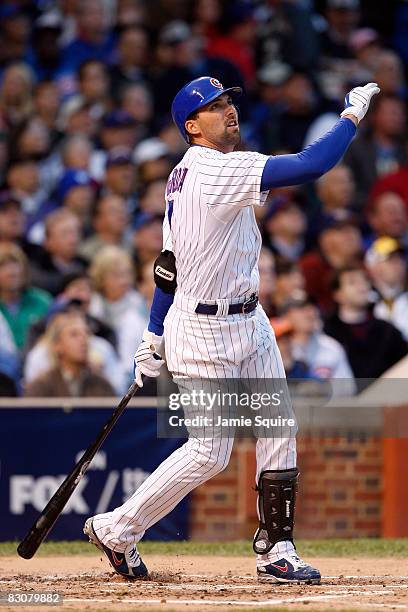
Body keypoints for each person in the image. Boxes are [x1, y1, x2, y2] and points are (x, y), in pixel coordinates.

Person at [83, 76, 379, 583]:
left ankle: (276, 547)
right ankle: (118, 528)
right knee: (209, 451)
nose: (228, 111)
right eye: (214, 107)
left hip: (249, 318)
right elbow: (313, 164)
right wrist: (350, 117)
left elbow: (169, 263)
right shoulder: (210, 171)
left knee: (279, 427)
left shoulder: (189, 174)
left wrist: (153, 331)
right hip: (203, 332)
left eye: (228, 102)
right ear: (192, 126)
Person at [324, 266, 408, 380]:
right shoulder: (327, 332)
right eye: (352, 282)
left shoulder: (387, 331)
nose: (362, 287)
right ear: (338, 294)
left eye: (365, 280)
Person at [24, 311, 115, 397]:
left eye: (86, 333)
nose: (83, 340)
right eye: (74, 334)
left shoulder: (102, 385)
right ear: (57, 345)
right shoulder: (41, 387)